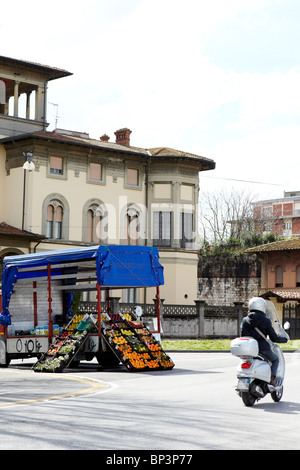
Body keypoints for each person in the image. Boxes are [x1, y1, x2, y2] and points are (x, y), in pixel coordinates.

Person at [241, 297, 288, 385]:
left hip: (249, 350)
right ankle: (272, 379)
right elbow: (274, 338)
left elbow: (242, 335)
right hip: (263, 349)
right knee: (275, 360)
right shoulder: (266, 320)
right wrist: (284, 339)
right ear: (262, 307)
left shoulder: (245, 320)